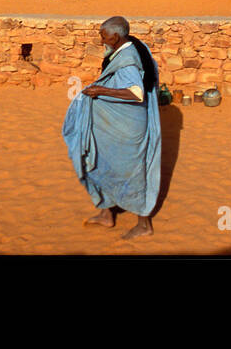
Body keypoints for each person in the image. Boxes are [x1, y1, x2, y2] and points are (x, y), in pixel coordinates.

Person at [61, 15, 162, 240]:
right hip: (116, 126)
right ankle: (106, 213)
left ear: (115, 36)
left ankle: (144, 225)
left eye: (103, 36)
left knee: (132, 173)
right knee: (103, 163)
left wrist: (101, 91)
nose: (101, 41)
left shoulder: (128, 59)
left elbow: (136, 93)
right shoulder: (132, 44)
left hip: (128, 129)